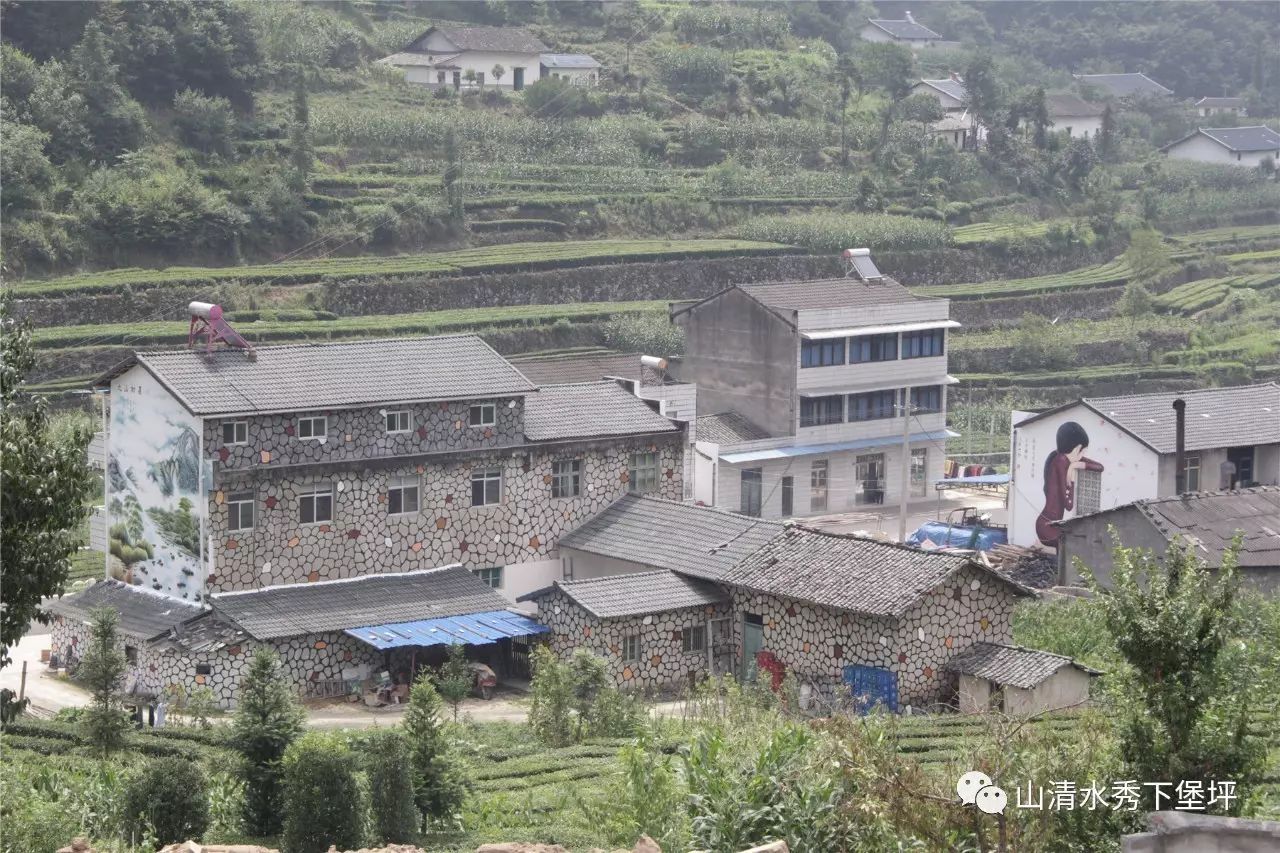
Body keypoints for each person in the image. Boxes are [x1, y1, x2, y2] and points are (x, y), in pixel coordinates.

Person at [1035, 421, 1105, 547]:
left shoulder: (1066, 459)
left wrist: (1074, 465)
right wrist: (1071, 478)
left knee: (1077, 541)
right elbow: (1068, 505)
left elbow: (1100, 467)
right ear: (1078, 448)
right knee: (1080, 542)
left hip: (1049, 524)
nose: (1083, 455)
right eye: (1083, 451)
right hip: (1047, 528)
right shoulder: (1060, 461)